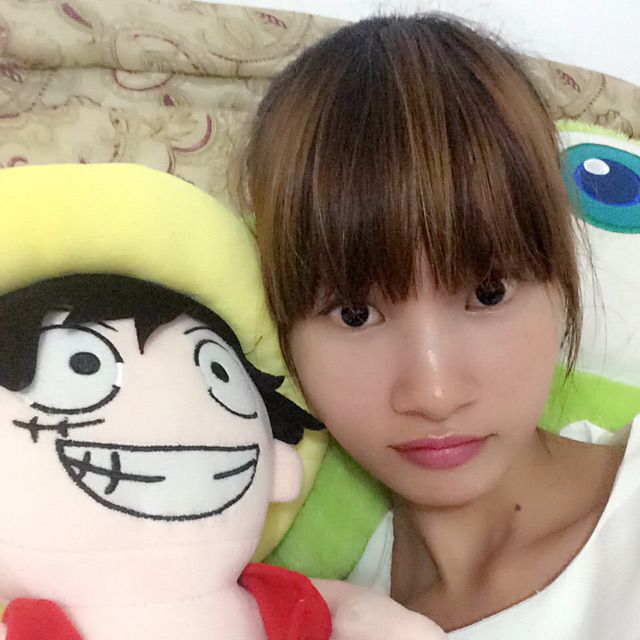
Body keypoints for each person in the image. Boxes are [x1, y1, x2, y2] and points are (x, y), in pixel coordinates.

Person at [244, 13, 640, 638]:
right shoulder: (308, 611)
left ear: (561, 282)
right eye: (355, 314)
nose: (434, 393)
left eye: (488, 293)